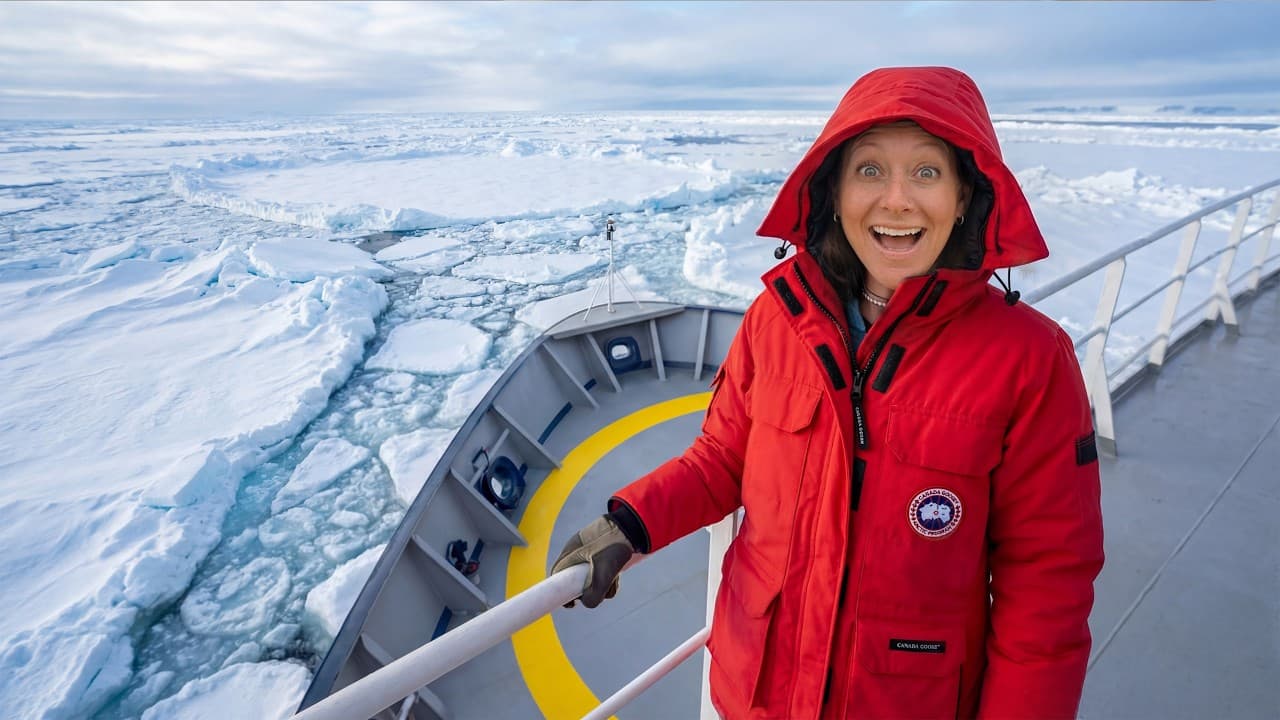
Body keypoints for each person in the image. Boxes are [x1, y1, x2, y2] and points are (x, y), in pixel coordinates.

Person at [552, 66, 1104, 720]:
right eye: (869, 170)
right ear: (834, 192)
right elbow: (723, 460)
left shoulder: (1029, 360)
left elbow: (1046, 586)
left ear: (965, 198)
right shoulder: (776, 319)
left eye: (927, 172)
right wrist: (630, 523)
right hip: (759, 692)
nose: (896, 200)